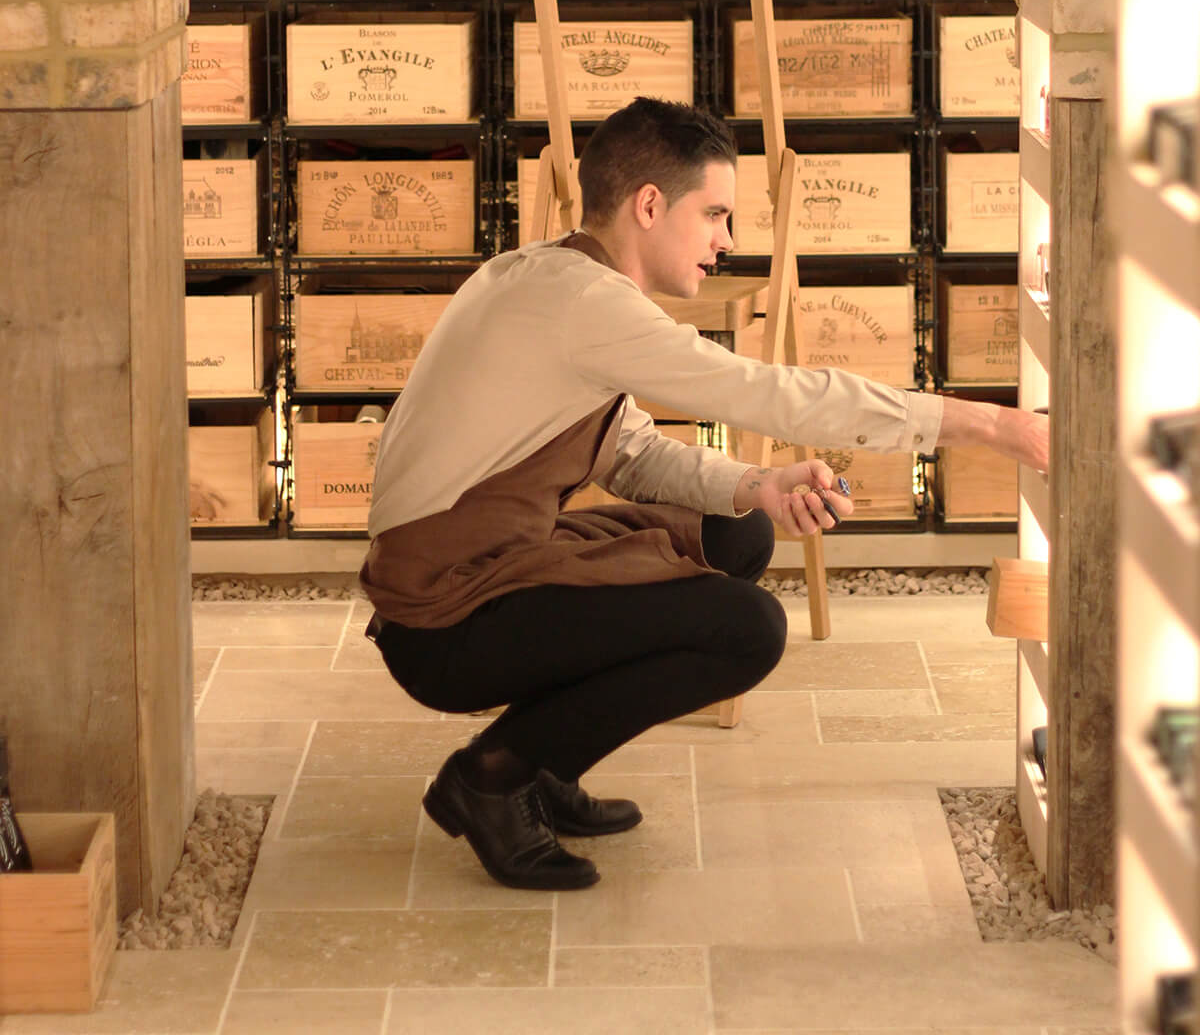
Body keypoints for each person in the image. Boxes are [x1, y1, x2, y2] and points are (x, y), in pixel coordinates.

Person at [360, 97, 1049, 893]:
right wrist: (992, 426)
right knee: (747, 630)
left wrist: (759, 485)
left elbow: (630, 452)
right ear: (649, 205)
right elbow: (771, 394)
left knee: (740, 533)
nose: (727, 240)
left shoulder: (549, 276)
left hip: (478, 572)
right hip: (444, 619)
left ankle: (546, 762)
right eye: (715, 213)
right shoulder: (587, 303)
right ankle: (493, 776)